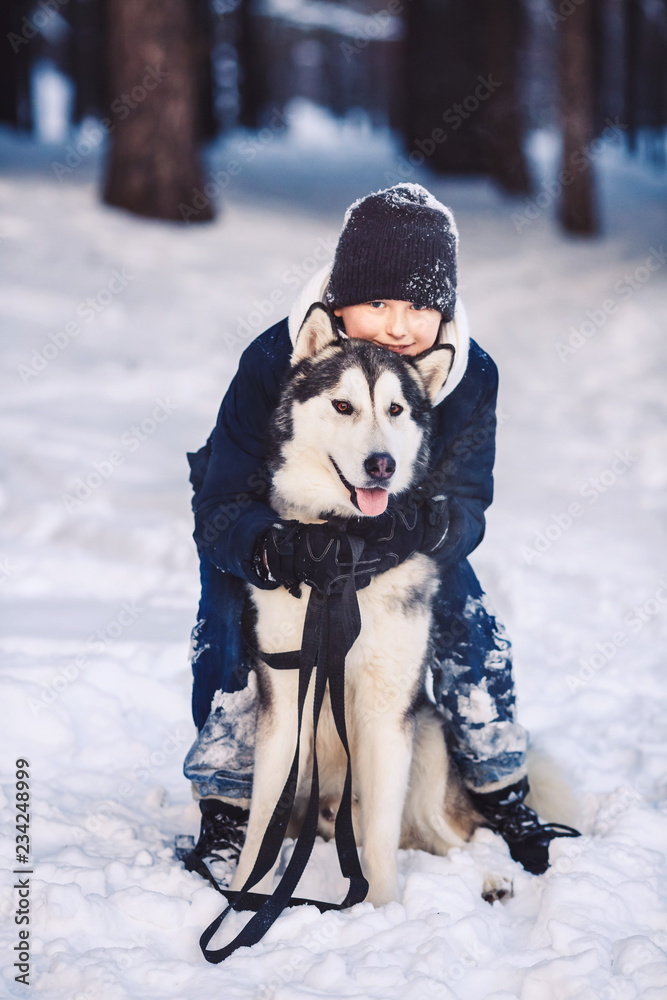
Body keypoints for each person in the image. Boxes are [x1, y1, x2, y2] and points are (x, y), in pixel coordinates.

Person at [181, 183, 579, 879]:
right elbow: (221, 499)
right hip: (279, 525)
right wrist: (269, 545)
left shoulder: (466, 373)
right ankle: (230, 802)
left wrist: (416, 531)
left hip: (401, 532)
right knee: (228, 602)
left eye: (422, 305)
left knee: (458, 600)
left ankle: (497, 780)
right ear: (337, 303)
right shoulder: (278, 357)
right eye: (379, 304)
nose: (400, 326)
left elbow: (465, 500)